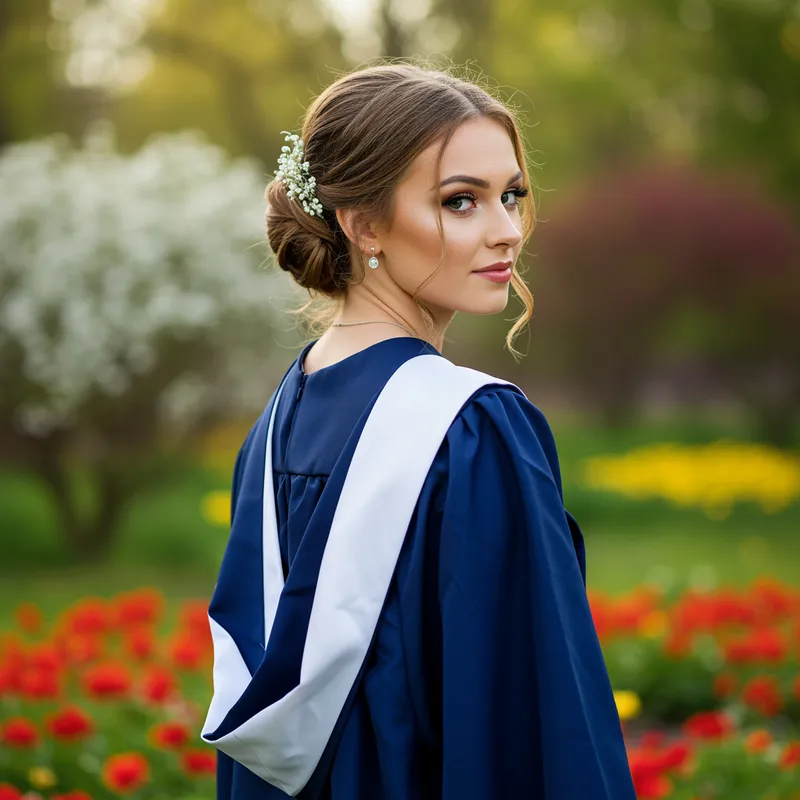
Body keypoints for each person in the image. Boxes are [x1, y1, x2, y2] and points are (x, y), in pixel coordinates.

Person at [202, 63, 636, 800]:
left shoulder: (278, 422)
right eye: (460, 201)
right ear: (363, 223)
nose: (506, 232)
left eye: (512, 197)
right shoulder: (472, 430)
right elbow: (528, 717)